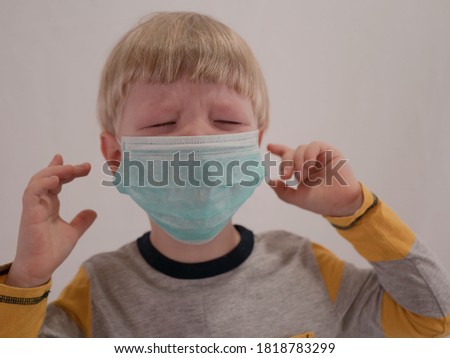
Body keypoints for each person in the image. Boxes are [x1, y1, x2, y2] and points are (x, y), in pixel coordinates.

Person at [1, 12, 449, 338]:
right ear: (116, 154)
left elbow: (435, 322)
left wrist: (357, 211)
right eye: (162, 124)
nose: (197, 140)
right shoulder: (98, 292)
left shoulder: (308, 269)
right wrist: (25, 280)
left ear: (256, 144)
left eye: (227, 122)